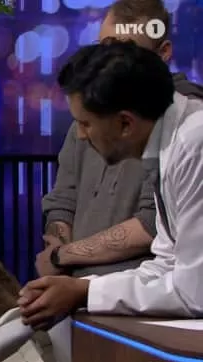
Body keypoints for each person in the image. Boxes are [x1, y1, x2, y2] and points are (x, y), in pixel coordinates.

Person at [20, 40, 203, 329]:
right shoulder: (167, 140)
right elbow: (166, 263)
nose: (81, 136)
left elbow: (194, 292)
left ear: (125, 124)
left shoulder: (193, 144)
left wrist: (85, 292)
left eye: (86, 124)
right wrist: (81, 288)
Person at [38, 0, 203, 280]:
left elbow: (153, 226)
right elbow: (63, 199)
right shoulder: (89, 114)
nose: (106, 62)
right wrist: (60, 264)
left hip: (137, 287)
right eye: (103, 47)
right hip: (89, 286)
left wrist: (63, 257)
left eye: (123, 50)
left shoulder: (185, 129)